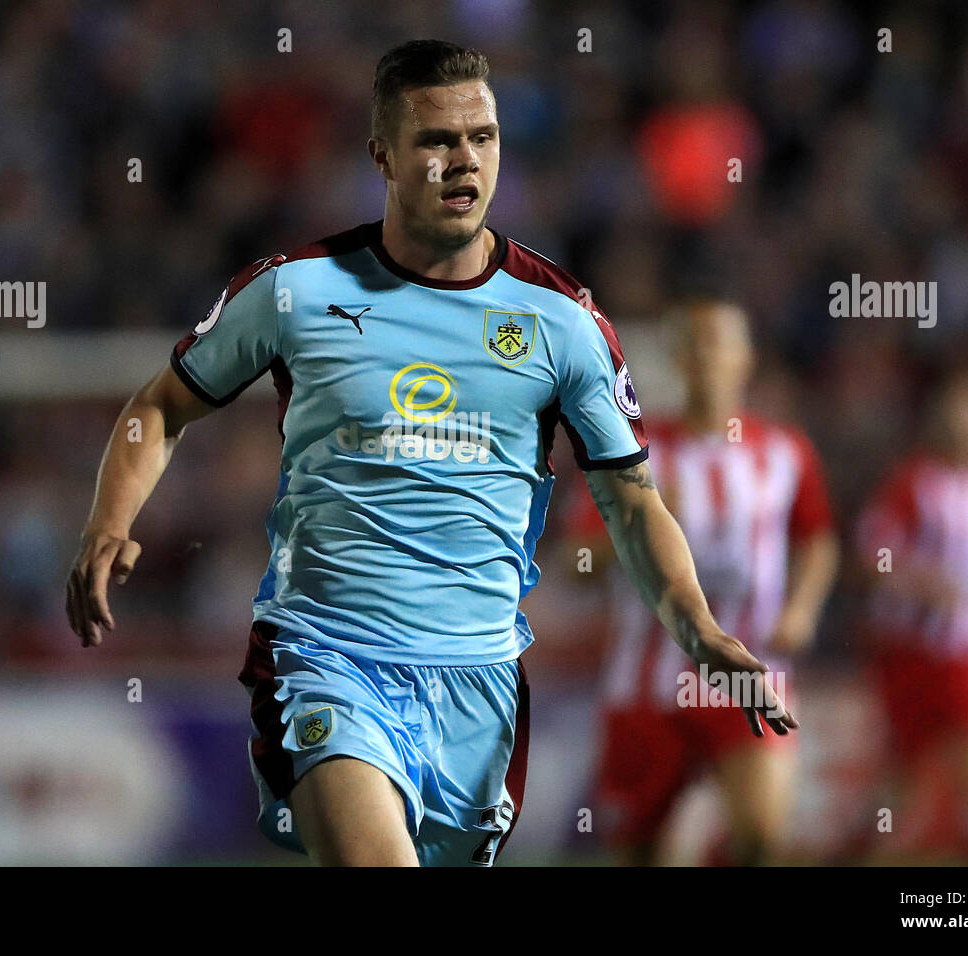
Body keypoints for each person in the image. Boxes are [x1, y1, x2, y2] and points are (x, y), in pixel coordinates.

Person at [65, 39, 794, 867]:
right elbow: (161, 406)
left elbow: (631, 498)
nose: (463, 160)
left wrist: (696, 626)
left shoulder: (562, 321)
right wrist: (107, 521)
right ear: (382, 154)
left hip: (477, 682)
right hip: (326, 656)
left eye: (481, 138)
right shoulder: (298, 290)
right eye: (436, 140)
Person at [568, 299, 838, 865]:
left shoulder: (785, 452)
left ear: (747, 357)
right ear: (676, 358)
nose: (707, 354)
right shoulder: (631, 452)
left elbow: (818, 539)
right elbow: (578, 562)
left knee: (762, 834)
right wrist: (637, 531)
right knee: (641, 853)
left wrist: (802, 609)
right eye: (694, 342)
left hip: (751, 668)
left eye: (720, 340)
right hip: (646, 683)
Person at [856, 372, 968, 865]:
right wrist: (920, 582)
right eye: (957, 416)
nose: (966, 427)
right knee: (901, 790)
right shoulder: (914, 482)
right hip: (912, 655)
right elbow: (874, 556)